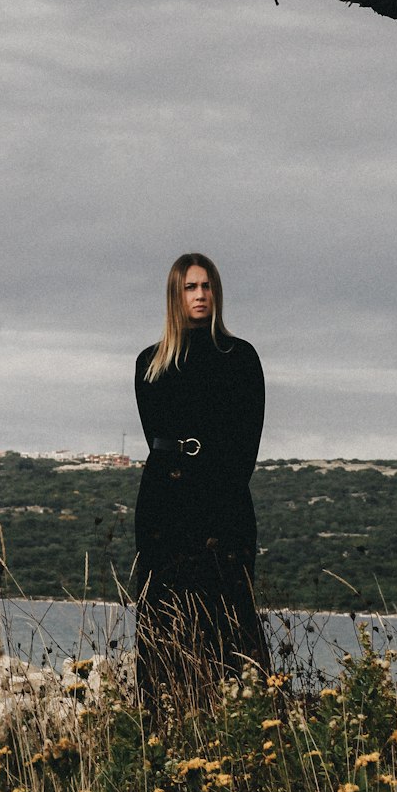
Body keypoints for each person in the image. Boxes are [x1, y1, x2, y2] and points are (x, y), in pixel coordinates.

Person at [133, 252, 268, 706]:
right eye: (191, 287)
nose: (201, 295)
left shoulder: (240, 357)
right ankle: (163, 721)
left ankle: (245, 722)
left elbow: (246, 445)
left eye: (207, 286)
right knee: (161, 618)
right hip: (164, 506)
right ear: (175, 295)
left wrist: (217, 499)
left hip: (223, 502)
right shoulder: (149, 363)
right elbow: (159, 439)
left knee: (230, 618)